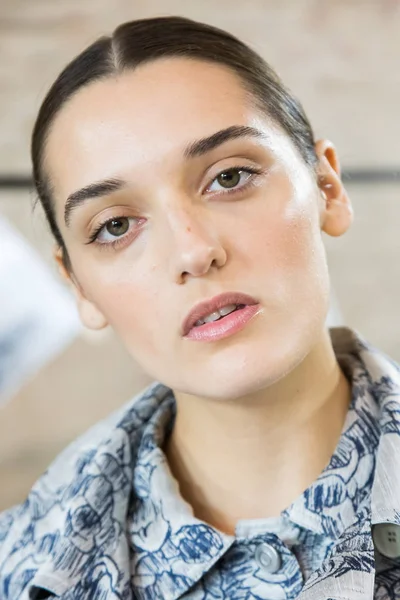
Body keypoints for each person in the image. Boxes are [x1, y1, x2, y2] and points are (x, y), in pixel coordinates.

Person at [0, 16, 399, 600]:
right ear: (80, 287)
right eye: (115, 226)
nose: (193, 250)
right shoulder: (17, 570)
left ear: (327, 188)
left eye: (230, 177)